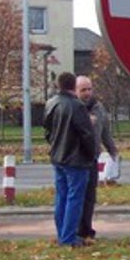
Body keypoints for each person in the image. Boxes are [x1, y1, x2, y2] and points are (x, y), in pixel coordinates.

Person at [42, 71, 96, 247]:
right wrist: (91, 153)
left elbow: (47, 131)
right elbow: (86, 134)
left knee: (62, 196)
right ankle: (68, 237)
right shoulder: (77, 106)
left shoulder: (51, 104)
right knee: (75, 197)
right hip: (76, 158)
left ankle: (62, 234)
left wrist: (55, 145)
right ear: (74, 86)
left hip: (58, 156)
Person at [75, 75, 119, 243]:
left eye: (89, 89)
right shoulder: (74, 107)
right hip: (77, 158)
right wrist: (86, 121)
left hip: (93, 157)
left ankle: (87, 229)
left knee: (90, 197)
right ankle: (77, 230)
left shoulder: (98, 108)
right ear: (76, 91)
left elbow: (105, 131)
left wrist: (112, 150)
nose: (87, 93)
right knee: (78, 195)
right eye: (83, 90)